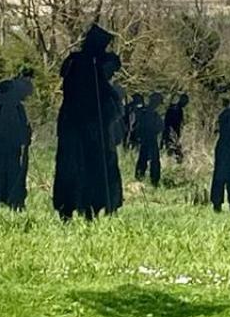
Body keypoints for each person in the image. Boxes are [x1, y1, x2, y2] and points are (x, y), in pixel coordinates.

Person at [52, 23, 124, 221]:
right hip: (81, 125)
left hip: (89, 125)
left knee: (93, 167)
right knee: (76, 167)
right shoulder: (79, 63)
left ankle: (92, 208)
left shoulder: (93, 64)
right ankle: (71, 207)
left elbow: (114, 64)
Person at [0, 75, 33, 211]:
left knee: (4, 174)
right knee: (2, 174)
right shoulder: (7, 105)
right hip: (1, 146)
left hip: (7, 146)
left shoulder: (14, 106)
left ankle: (6, 200)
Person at [133, 91, 164, 187]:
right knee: (152, 160)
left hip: (147, 139)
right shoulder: (147, 112)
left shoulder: (144, 111)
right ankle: (152, 180)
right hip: (149, 139)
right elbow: (159, 127)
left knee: (145, 159)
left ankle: (143, 178)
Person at [162, 93, 189, 162]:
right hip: (172, 134)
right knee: (173, 150)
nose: (186, 104)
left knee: (174, 151)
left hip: (173, 134)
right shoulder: (175, 109)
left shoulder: (177, 109)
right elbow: (169, 123)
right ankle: (171, 163)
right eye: (185, 102)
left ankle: (171, 163)